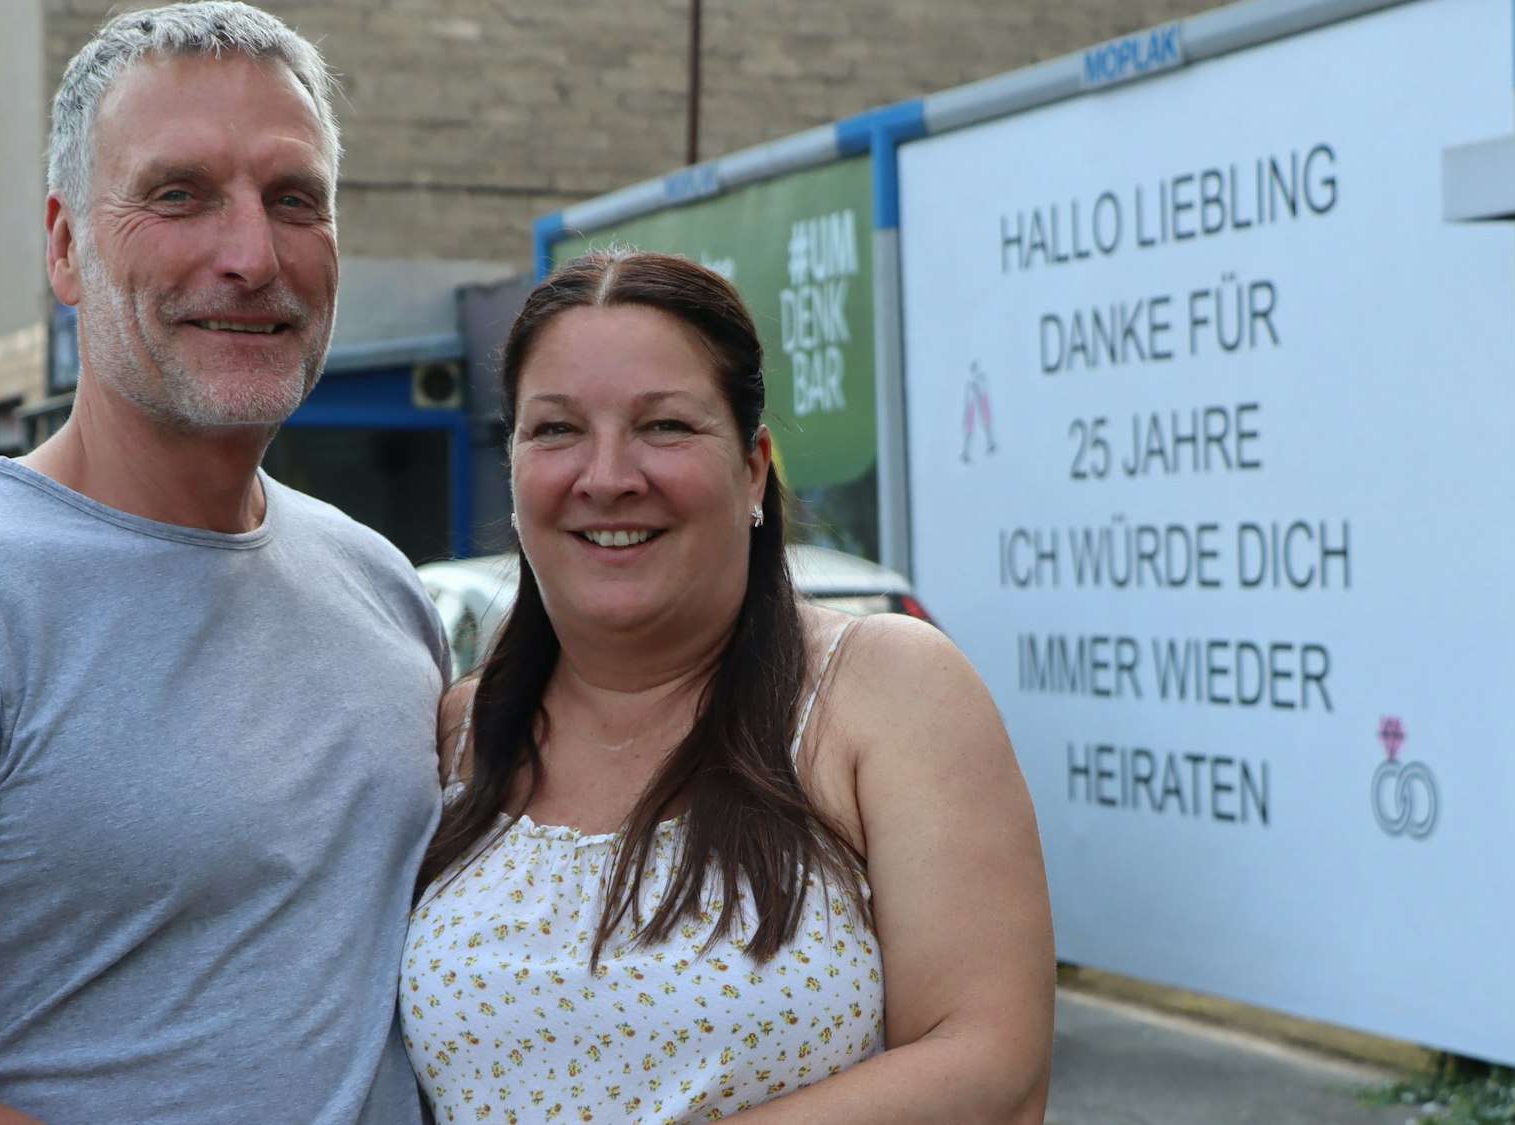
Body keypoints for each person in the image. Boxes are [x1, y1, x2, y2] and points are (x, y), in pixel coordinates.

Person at [0, 5, 447, 1122]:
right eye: (177, 195)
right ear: (66, 245)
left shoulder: (380, 584)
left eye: (292, 201)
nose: (249, 256)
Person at [401, 250, 1055, 1123]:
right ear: (515, 471)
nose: (606, 475)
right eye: (555, 430)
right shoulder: (458, 734)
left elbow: (989, 1066)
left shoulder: (886, 691)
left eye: (664, 426)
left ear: (753, 468)